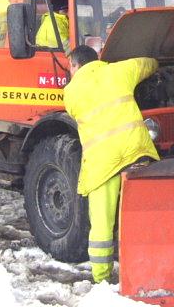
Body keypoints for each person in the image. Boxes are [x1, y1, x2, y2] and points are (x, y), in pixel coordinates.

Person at [64, 45, 160, 283]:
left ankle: (101, 278)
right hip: (134, 152)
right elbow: (147, 63)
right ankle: (146, 267)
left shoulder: (70, 93)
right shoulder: (120, 71)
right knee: (143, 215)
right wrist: (157, 61)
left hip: (102, 163)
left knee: (102, 225)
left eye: (71, 67)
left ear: (76, 65)